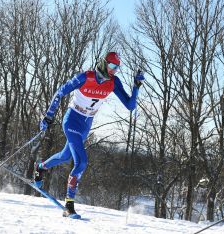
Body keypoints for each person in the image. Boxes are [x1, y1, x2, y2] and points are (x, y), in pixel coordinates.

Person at [34, 52, 144, 217]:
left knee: (65, 156)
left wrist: (136, 86)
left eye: (117, 68)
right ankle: (69, 205)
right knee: (81, 161)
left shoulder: (113, 83)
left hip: (86, 124)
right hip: (72, 120)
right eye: (112, 66)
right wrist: (49, 115)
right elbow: (60, 92)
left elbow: (130, 105)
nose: (114, 70)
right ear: (104, 63)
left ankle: (40, 167)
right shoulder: (86, 77)